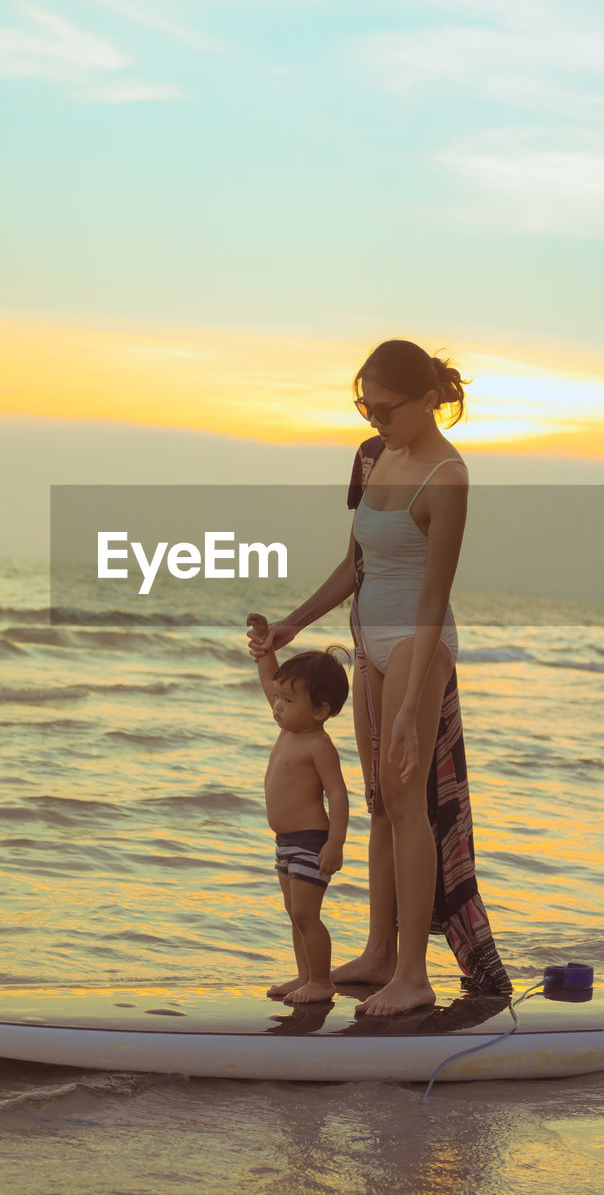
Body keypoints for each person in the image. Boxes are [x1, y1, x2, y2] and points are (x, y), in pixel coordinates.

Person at [248, 338, 510, 1017]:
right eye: (364, 405)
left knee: (407, 801)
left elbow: (432, 596)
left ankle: (414, 977)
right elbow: (355, 562)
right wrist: (295, 625)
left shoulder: (448, 478)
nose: (374, 420)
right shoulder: (370, 456)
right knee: (378, 802)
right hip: (369, 644)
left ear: (429, 400)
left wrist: (409, 701)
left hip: (419, 644)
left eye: (385, 407)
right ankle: (379, 954)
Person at [247, 615, 350, 1005]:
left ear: (321, 710)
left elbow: (338, 797)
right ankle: (305, 975)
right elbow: (270, 680)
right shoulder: (290, 728)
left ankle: (322, 981)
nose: (276, 706)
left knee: (307, 914)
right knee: (295, 913)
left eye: (288, 701)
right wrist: (264, 646)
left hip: (310, 842)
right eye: (278, 698)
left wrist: (335, 844)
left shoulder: (317, 745)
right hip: (286, 841)